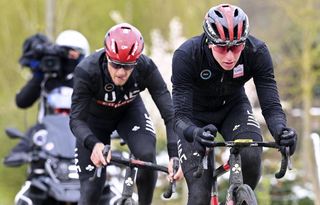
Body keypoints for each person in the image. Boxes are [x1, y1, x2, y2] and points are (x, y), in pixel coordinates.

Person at [171, 4, 298, 205]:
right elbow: (179, 118)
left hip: (233, 108)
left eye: (237, 47)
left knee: (251, 155)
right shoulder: (187, 55)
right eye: (222, 48)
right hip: (194, 118)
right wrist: (194, 133)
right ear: (210, 42)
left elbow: (271, 105)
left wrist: (281, 131)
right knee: (199, 195)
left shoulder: (257, 52)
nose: (230, 56)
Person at [69, 23, 183, 205]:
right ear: (107, 56)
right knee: (91, 190)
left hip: (128, 112)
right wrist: (94, 144)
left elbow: (170, 114)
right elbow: (76, 120)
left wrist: (174, 155)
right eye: (115, 64)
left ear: (137, 61)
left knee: (146, 155)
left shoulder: (145, 67)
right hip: (94, 122)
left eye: (128, 66)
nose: (121, 72)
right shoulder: (87, 70)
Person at [3, 30, 90, 166]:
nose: (68, 58)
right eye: (64, 52)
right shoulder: (46, 78)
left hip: (79, 143)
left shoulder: (88, 81)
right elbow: (22, 101)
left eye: (73, 53)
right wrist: (38, 75)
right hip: (46, 145)